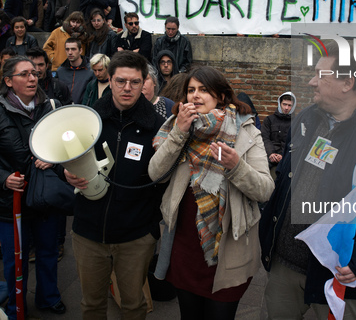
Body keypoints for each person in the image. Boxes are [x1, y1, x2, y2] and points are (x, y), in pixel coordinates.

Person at [260, 43, 356, 319]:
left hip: (338, 276)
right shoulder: (306, 119)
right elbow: (285, 182)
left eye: (321, 75)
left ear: (347, 82)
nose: (311, 81)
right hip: (284, 266)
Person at [148, 65, 274, 319]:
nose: (195, 95)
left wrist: (236, 166)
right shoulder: (176, 127)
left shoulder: (247, 132)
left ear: (221, 95)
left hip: (228, 249)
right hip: (185, 247)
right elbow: (155, 174)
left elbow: (265, 190)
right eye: (191, 90)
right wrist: (179, 133)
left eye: (204, 90)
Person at [65, 51, 165, 319]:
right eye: (121, 81)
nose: (127, 88)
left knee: (133, 305)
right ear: (109, 80)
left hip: (136, 235)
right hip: (88, 231)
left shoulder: (157, 126)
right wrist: (68, 173)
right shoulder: (89, 119)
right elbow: (67, 156)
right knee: (91, 304)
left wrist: (151, 229)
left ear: (145, 82)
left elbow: (164, 178)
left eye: (135, 82)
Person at [0, 57, 67, 319]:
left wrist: (54, 159)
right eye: (24, 74)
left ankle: (49, 297)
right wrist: (4, 178)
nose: (32, 77)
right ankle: (16, 306)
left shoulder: (52, 107)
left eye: (35, 73)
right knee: (13, 259)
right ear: (8, 81)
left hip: (46, 196)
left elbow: (67, 145)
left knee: (48, 251)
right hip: (10, 201)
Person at [261, 91, 296, 169]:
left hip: (287, 157)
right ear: (280, 104)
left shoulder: (296, 122)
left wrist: (283, 155)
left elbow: (295, 142)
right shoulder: (269, 120)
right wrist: (271, 153)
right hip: (269, 155)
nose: (286, 108)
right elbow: (264, 138)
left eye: (289, 105)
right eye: (284, 104)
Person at [55, 38, 93, 104]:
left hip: (84, 110)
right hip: (65, 109)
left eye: (73, 49)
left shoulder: (91, 70)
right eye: (67, 49)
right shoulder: (60, 71)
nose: (70, 52)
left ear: (80, 50)